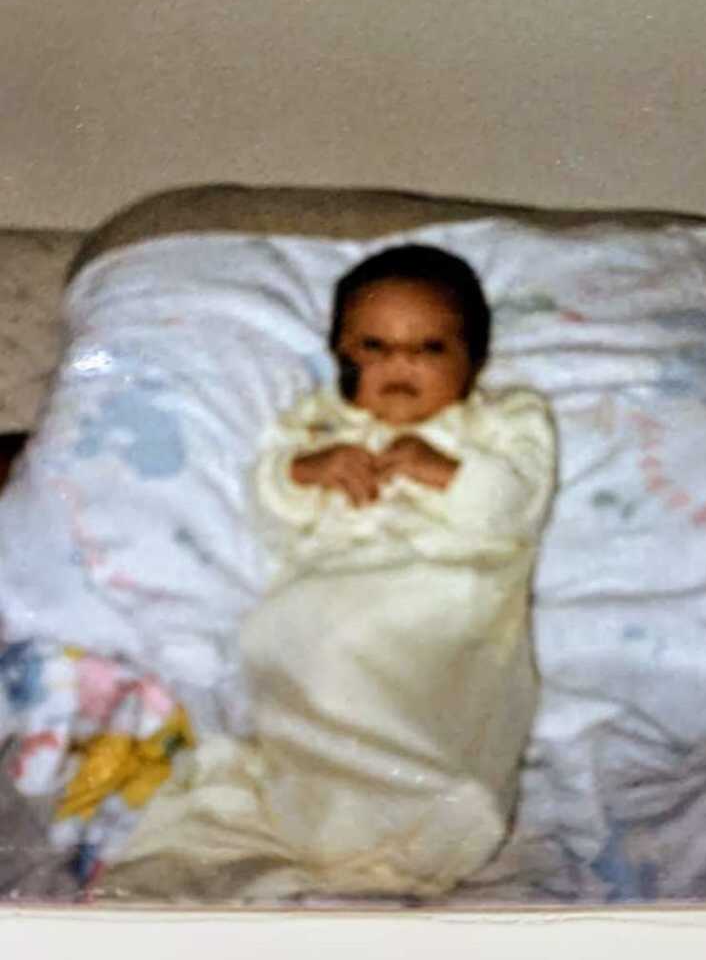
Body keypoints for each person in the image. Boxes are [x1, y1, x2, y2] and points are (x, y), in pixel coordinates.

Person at [102, 244, 557, 902]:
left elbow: (516, 507)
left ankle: (402, 814)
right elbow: (268, 507)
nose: (400, 365)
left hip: (447, 604)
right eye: (375, 346)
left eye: (429, 348)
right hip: (318, 607)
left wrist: (444, 469)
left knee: (409, 683)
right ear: (341, 351)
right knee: (301, 650)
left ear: (475, 359)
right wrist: (307, 471)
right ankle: (319, 805)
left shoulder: (505, 421)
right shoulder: (320, 423)